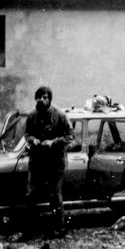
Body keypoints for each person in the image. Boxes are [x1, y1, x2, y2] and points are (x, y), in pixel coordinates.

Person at [24, 86, 74, 238]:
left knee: (54, 195)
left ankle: (58, 228)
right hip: (37, 161)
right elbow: (27, 134)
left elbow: (70, 136)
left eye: (44, 97)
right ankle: (32, 228)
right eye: (38, 97)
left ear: (49, 99)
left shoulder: (60, 115)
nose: (41, 100)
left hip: (55, 161)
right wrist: (34, 140)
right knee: (30, 194)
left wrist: (53, 142)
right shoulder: (32, 115)